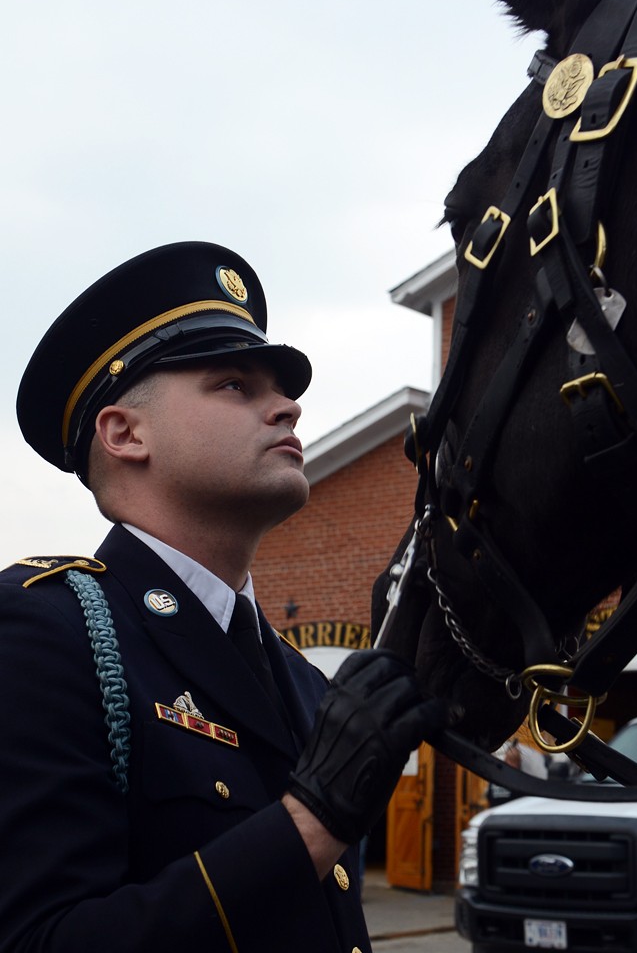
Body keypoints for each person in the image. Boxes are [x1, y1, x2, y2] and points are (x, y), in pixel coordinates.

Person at [1, 241, 446, 953]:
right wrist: (312, 821)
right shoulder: (49, 631)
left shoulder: (301, 680)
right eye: (236, 385)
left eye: (283, 389)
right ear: (125, 433)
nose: (289, 408)